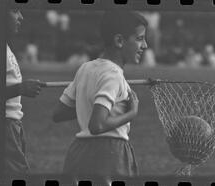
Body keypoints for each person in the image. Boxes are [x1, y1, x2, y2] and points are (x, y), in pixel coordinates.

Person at [52, 11, 148, 185]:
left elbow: (59, 113)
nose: (145, 45)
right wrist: (132, 113)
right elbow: (97, 126)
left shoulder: (85, 68)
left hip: (79, 153)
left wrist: (88, 106)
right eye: (140, 39)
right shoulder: (113, 75)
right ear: (119, 41)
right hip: (109, 154)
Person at [6, 9, 44, 175]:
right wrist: (20, 89)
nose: (21, 16)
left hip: (13, 124)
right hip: (4, 125)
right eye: (14, 10)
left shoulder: (4, 46)